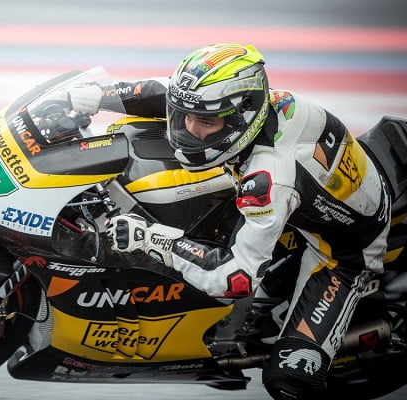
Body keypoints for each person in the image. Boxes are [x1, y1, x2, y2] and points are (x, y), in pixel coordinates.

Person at [96, 44, 391, 400]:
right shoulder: (249, 106)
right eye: (185, 117)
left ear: (241, 117)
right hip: (315, 192)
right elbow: (163, 93)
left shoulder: (270, 178)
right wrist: (91, 97)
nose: (190, 129)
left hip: (342, 251)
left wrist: (152, 239)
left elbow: (234, 280)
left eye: (206, 123)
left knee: (289, 381)